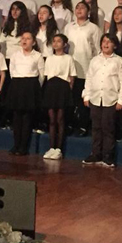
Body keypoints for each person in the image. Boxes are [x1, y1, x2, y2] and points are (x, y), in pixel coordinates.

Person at [82, 33, 122, 168]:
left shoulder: (119, 61)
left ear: (115, 45)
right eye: (103, 41)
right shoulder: (94, 60)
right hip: (95, 98)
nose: (106, 44)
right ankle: (96, 154)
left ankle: (108, 156)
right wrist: (86, 95)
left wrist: (121, 100)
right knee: (96, 127)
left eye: (109, 41)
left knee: (108, 128)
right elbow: (89, 78)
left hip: (111, 99)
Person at [65, 1, 100, 136]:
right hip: (69, 69)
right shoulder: (69, 27)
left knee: (82, 99)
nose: (79, 10)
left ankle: (83, 126)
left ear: (88, 12)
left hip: (85, 68)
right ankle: (69, 124)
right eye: (77, 7)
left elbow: (97, 50)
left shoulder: (93, 28)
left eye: (82, 8)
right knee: (69, 99)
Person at [7, 31, 43, 155]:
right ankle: (16, 145)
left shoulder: (37, 56)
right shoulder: (15, 55)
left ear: (33, 42)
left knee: (27, 117)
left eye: (28, 38)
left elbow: (41, 75)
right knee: (16, 117)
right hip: (17, 85)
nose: (24, 40)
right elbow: (12, 71)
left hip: (30, 86)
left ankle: (23, 147)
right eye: (23, 38)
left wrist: (33, 86)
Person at [42, 32, 76, 160]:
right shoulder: (49, 58)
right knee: (51, 119)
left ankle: (59, 149)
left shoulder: (68, 58)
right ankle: (52, 147)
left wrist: (68, 91)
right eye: (54, 41)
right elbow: (47, 75)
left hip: (63, 87)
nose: (56, 43)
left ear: (65, 44)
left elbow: (72, 77)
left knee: (60, 119)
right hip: (51, 87)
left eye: (59, 41)